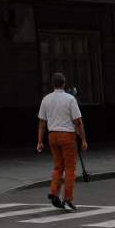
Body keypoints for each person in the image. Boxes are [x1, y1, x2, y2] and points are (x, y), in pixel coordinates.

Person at [36, 72, 87, 210]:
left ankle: (54, 192)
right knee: (70, 168)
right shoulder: (70, 99)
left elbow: (42, 123)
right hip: (67, 135)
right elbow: (77, 121)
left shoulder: (46, 99)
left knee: (58, 166)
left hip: (52, 135)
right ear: (64, 84)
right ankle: (68, 199)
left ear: (52, 84)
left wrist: (39, 141)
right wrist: (83, 139)